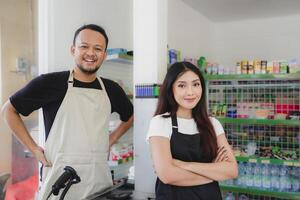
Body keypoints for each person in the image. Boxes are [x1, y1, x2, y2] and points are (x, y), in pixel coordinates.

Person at [1, 24, 133, 199]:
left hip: (98, 181)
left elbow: (130, 116)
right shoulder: (49, 83)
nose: (91, 53)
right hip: (59, 180)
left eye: (98, 48)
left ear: (104, 55)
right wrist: (33, 149)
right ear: (73, 50)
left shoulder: (111, 89)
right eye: (84, 46)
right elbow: (9, 110)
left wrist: (111, 139)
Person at [146, 61, 238, 200]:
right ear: (171, 89)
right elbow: (167, 175)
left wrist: (183, 165)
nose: (190, 92)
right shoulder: (160, 122)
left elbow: (231, 170)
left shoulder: (213, 124)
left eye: (196, 84)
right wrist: (213, 172)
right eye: (182, 85)